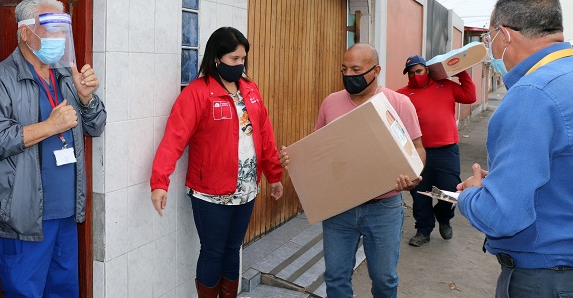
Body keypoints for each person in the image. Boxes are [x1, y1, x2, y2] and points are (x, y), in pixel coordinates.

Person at [0, 0, 106, 297]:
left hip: (65, 213)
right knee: (25, 292)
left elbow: (95, 126)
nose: (60, 37)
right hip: (24, 216)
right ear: (25, 33)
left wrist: (87, 99)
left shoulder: (66, 76)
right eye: (51, 28)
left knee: (64, 291)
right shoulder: (1, 78)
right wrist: (49, 127)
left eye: (63, 29)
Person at [279, 43, 425, 298]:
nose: (348, 75)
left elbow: (417, 148)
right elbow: (321, 150)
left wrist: (412, 176)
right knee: (336, 278)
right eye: (344, 69)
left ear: (376, 70)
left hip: (384, 208)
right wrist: (295, 160)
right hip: (339, 209)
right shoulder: (331, 103)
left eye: (356, 69)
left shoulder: (399, 103)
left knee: (384, 279)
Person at [150, 27, 284, 298]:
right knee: (213, 250)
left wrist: (274, 174)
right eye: (234, 59)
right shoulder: (198, 93)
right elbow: (174, 138)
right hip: (210, 192)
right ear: (216, 59)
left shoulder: (250, 89)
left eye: (243, 59)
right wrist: (159, 181)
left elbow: (264, 134)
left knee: (233, 249)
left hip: (246, 189)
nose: (240, 65)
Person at [457, 0, 573, 298]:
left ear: (505, 35)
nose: (491, 50)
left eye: (488, 39)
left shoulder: (531, 95)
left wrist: (472, 194)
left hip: (544, 277)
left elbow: (502, 215)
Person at [397, 55, 476, 247]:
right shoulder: (402, 95)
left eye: (419, 71)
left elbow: (470, 96)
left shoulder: (445, 86)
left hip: (446, 150)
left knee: (449, 191)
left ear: (427, 70)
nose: (415, 76)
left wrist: (462, 73)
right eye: (411, 73)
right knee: (420, 193)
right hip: (418, 152)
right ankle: (423, 230)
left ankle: (444, 217)